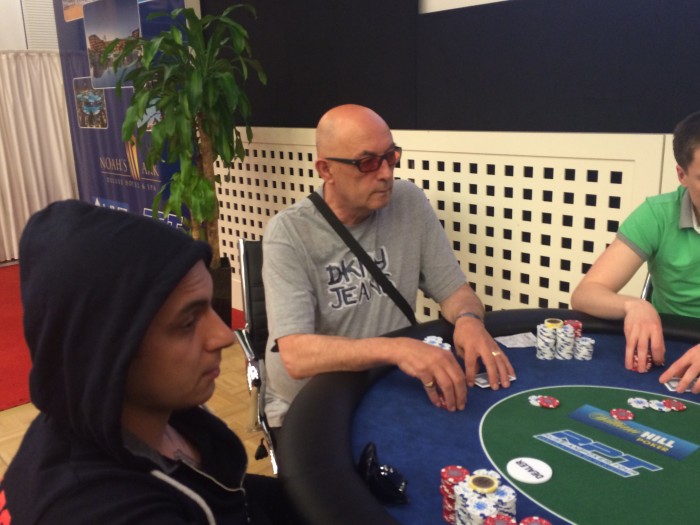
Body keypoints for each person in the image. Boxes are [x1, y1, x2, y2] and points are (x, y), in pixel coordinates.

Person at [0, 200, 296, 524]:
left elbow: (233, 495)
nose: (224, 336)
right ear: (107, 350)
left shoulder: (157, 412)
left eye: (211, 307)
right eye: (187, 323)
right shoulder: (97, 509)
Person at [262, 104, 515, 431]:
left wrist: (468, 319)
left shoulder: (409, 201)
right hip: (314, 400)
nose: (385, 174)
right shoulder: (288, 233)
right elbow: (296, 355)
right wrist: (397, 349)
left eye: (390, 157)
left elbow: (454, 291)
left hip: (389, 383)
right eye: (367, 162)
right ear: (326, 170)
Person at [571, 110, 700, 394]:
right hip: (673, 345)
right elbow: (585, 294)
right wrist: (634, 305)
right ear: (682, 175)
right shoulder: (657, 214)